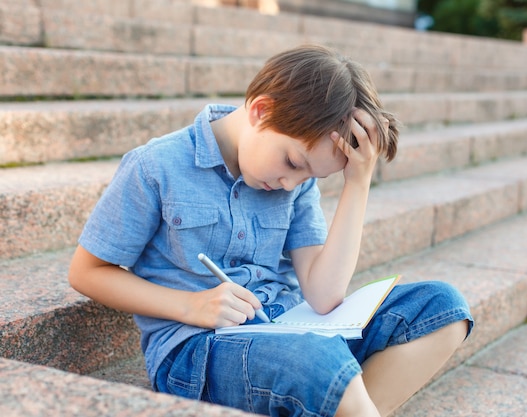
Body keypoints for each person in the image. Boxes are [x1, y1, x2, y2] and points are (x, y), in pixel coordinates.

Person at [68, 44, 473, 417]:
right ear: (261, 111)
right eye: (294, 163)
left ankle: (341, 400)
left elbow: (325, 294)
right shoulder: (156, 166)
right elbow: (86, 272)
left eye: (311, 176)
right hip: (199, 349)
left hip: (290, 328)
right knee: (320, 364)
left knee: (442, 307)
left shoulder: (294, 181)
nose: (292, 184)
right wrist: (190, 306)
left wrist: (357, 183)